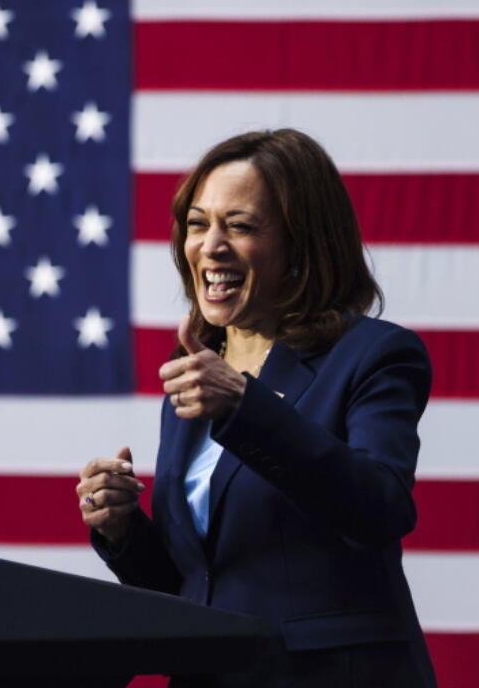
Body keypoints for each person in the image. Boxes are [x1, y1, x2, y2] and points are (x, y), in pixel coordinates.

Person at [76, 129, 435, 687]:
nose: (211, 246)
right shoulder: (198, 370)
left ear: (301, 244)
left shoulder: (374, 356)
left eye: (239, 226)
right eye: (198, 224)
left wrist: (246, 405)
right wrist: (124, 531)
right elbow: (202, 584)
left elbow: (380, 510)